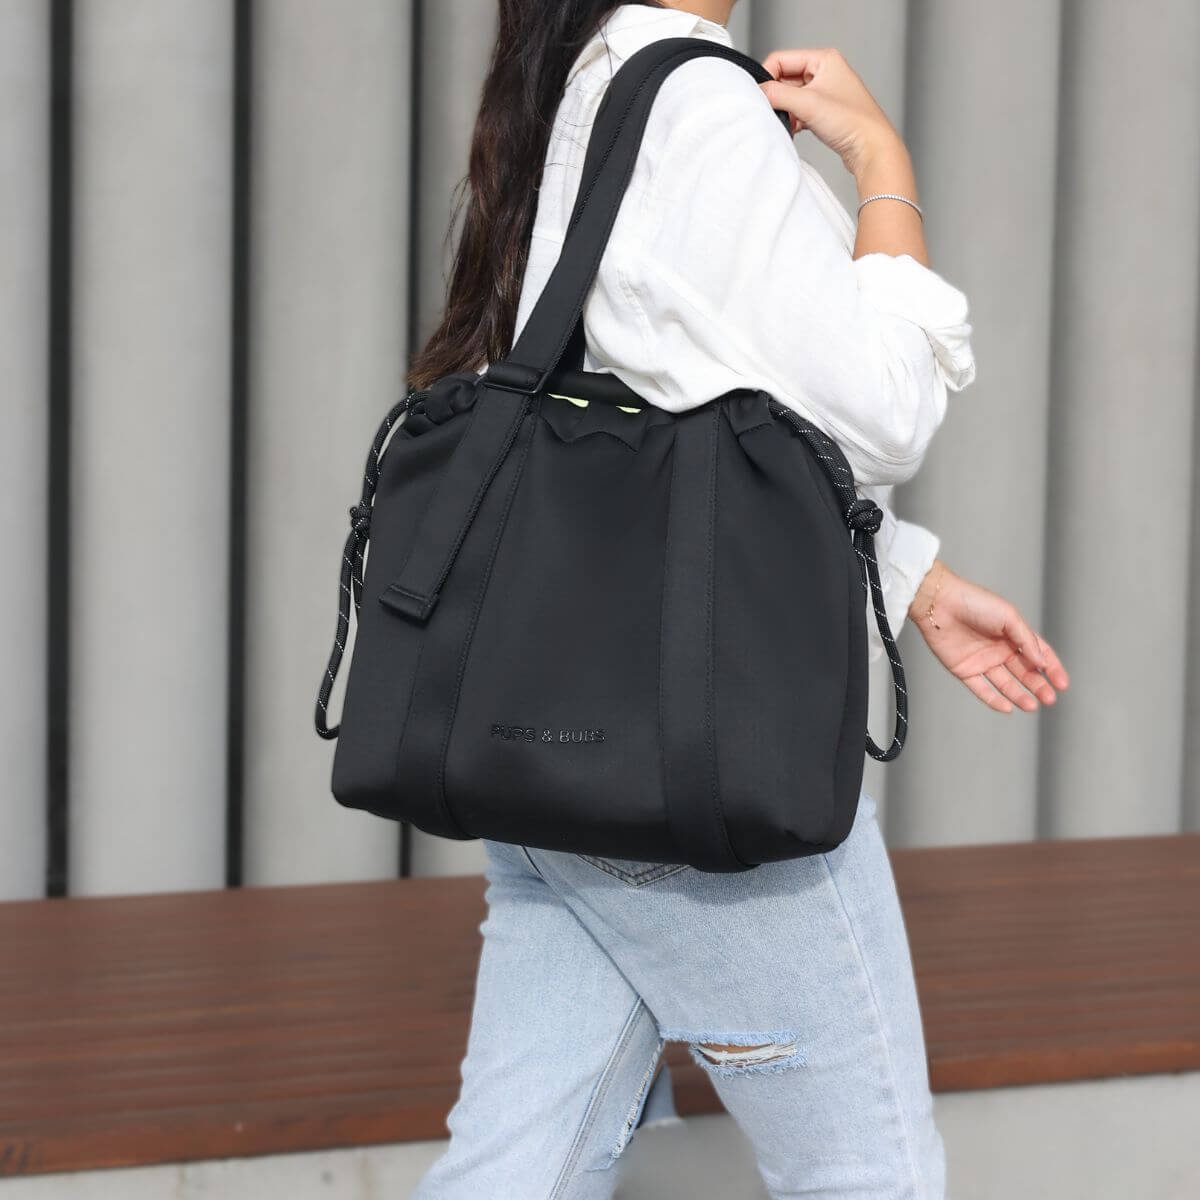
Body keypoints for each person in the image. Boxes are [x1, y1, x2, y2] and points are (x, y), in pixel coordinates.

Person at [408, 3, 1070, 1197]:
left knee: (513, 1174)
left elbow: (663, 414)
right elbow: (880, 412)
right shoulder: (699, 105)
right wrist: (884, 164)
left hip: (558, 747)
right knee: (871, 1176)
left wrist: (910, 579)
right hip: (698, 763)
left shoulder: (587, 76)